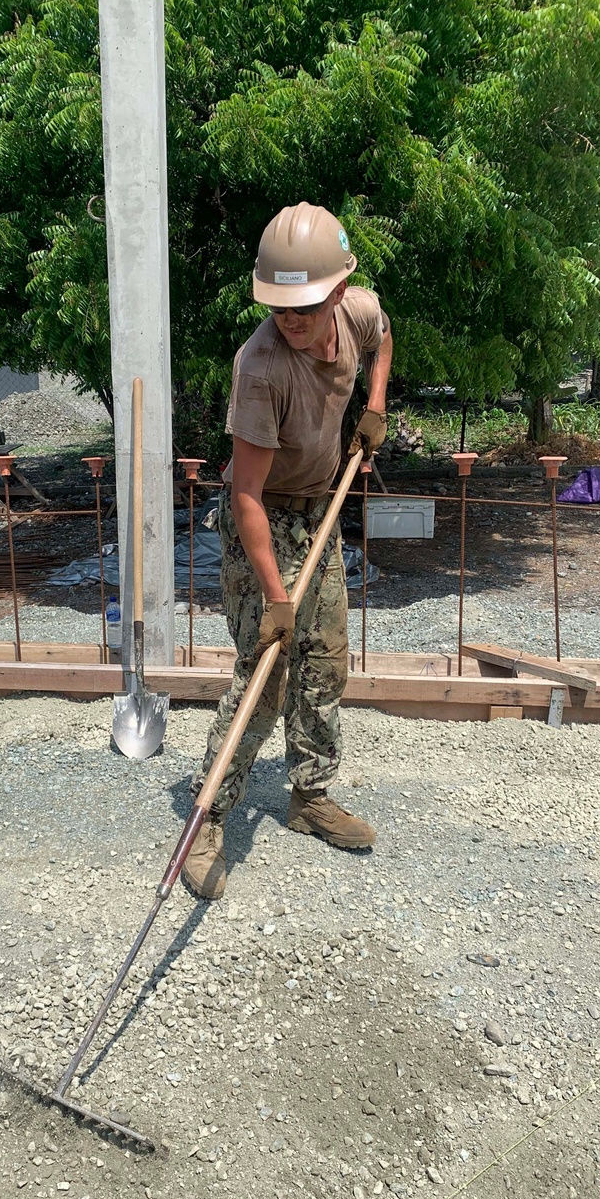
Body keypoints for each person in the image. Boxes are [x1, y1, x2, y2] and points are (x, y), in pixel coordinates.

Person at [182, 202, 393, 901]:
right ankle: (206, 817)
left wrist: (375, 406)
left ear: (336, 291)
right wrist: (275, 595)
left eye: (303, 306)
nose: (290, 319)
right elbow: (244, 494)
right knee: (266, 675)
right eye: (278, 306)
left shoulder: (357, 313)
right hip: (261, 524)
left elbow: (384, 333)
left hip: (318, 513)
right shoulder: (260, 365)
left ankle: (310, 795)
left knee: (326, 658)